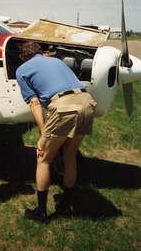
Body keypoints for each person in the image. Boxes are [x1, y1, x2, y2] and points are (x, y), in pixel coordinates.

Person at [16, 41, 96, 222]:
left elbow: (34, 103)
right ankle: (66, 207)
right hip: (87, 102)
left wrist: (43, 134)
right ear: (41, 52)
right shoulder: (57, 61)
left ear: (23, 56)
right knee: (70, 154)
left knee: (43, 157)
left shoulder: (22, 70)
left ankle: (41, 211)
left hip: (63, 107)